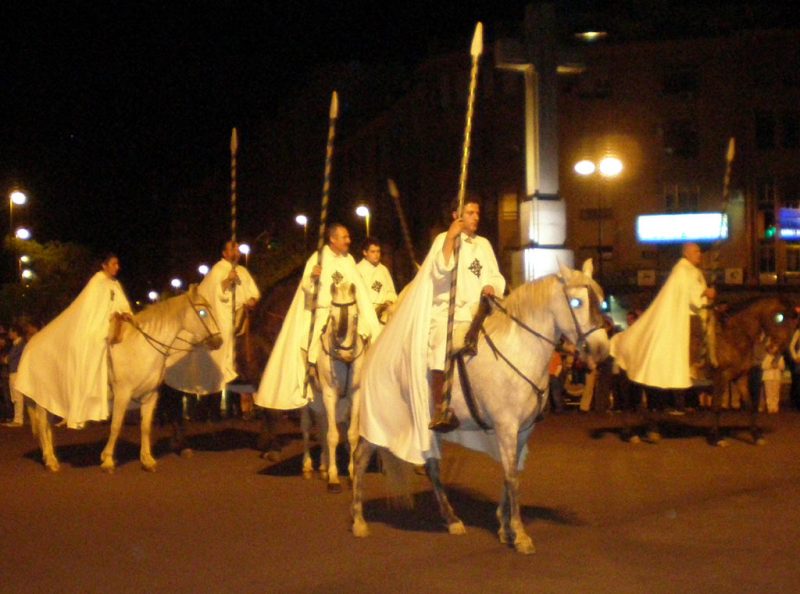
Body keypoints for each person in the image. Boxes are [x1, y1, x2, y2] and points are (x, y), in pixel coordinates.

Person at [359, 196, 506, 465]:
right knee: (441, 344)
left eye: (477, 212)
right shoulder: (443, 240)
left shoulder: (483, 245)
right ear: (456, 215)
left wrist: (492, 287)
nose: (476, 217)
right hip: (447, 314)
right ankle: (441, 406)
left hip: (478, 314)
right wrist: (451, 238)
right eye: (470, 212)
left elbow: (496, 275)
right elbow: (440, 272)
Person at [255, 223, 382, 410]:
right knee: (307, 343)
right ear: (332, 239)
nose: (349, 240)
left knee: (367, 338)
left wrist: (370, 321)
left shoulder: (348, 260)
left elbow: (360, 291)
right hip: (324, 312)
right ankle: (308, 380)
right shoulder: (318, 258)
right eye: (344, 237)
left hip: (349, 312)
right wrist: (312, 277)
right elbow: (307, 288)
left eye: (348, 237)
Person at [15, 254, 132, 429]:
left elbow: (122, 305)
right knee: (95, 345)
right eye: (114, 263)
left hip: (113, 325)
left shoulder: (115, 285)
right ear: (104, 265)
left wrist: (125, 313)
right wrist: (104, 321)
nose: (117, 267)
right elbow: (91, 309)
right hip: (96, 327)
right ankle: (86, 400)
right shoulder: (97, 282)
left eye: (118, 264)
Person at [610, 242, 716, 391]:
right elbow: (693, 297)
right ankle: (697, 367)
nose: (699, 255)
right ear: (686, 253)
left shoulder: (689, 270)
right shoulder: (684, 271)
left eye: (699, 252)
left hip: (697, 311)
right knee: (699, 335)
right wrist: (706, 293)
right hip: (690, 315)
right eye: (695, 252)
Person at [165, 241, 260, 404]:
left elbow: (253, 293)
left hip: (243, 315)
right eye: (232, 249)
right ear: (224, 253)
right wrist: (227, 281)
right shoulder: (218, 269)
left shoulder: (243, 271)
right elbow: (209, 294)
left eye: (237, 248)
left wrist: (252, 299)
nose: (236, 251)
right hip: (222, 317)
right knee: (222, 349)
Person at [356, 237, 397, 324]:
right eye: (373, 252)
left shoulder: (383, 269)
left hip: (385, 314)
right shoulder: (358, 270)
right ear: (365, 252)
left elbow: (391, 292)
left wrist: (388, 301)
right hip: (366, 315)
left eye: (378, 251)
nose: (376, 255)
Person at [2, 324, 26, 427]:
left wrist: (5, 359)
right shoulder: (16, 344)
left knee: (17, 396)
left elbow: (9, 359)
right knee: (15, 396)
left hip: (16, 372)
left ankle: (18, 419)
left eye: (11, 332)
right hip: (14, 372)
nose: (9, 334)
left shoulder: (20, 345)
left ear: (16, 332)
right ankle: (17, 418)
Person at [761, 345, 784, 414]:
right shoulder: (766, 357)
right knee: (769, 393)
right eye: (772, 349)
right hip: (768, 377)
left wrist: (777, 366)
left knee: (776, 393)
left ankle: (775, 407)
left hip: (776, 377)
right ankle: (770, 408)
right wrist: (771, 366)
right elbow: (763, 366)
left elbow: (782, 367)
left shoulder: (780, 357)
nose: (773, 351)